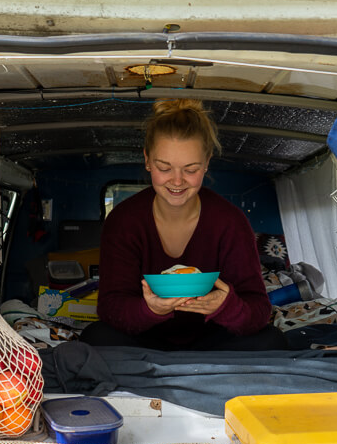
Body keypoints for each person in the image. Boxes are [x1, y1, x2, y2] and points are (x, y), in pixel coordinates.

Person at [80, 99, 287, 351]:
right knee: (95, 337)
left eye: (190, 169)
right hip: (145, 338)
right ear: (147, 160)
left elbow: (258, 309)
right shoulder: (124, 220)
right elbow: (110, 308)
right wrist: (149, 309)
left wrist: (226, 307)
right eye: (164, 167)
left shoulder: (229, 221)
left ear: (206, 163)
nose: (177, 181)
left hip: (214, 337)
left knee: (272, 340)